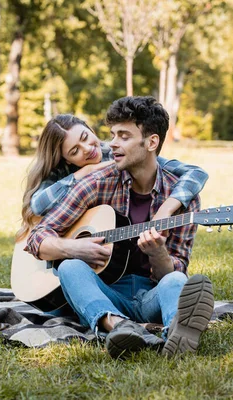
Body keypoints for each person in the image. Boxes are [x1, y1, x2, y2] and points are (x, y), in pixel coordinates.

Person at [25, 96, 214, 359]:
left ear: (151, 142)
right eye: (112, 134)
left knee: (177, 280)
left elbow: (175, 266)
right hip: (107, 292)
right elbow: (37, 237)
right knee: (70, 267)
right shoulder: (97, 181)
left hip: (151, 295)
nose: (111, 143)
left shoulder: (180, 196)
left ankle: (176, 333)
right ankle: (118, 327)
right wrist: (73, 247)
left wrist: (158, 253)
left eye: (123, 136)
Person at [17, 115, 208, 241]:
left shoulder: (118, 152)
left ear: (90, 129)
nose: (88, 149)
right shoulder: (62, 173)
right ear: (65, 160)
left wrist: (166, 210)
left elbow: (196, 173)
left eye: (85, 137)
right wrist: (83, 173)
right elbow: (37, 205)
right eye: (75, 151)